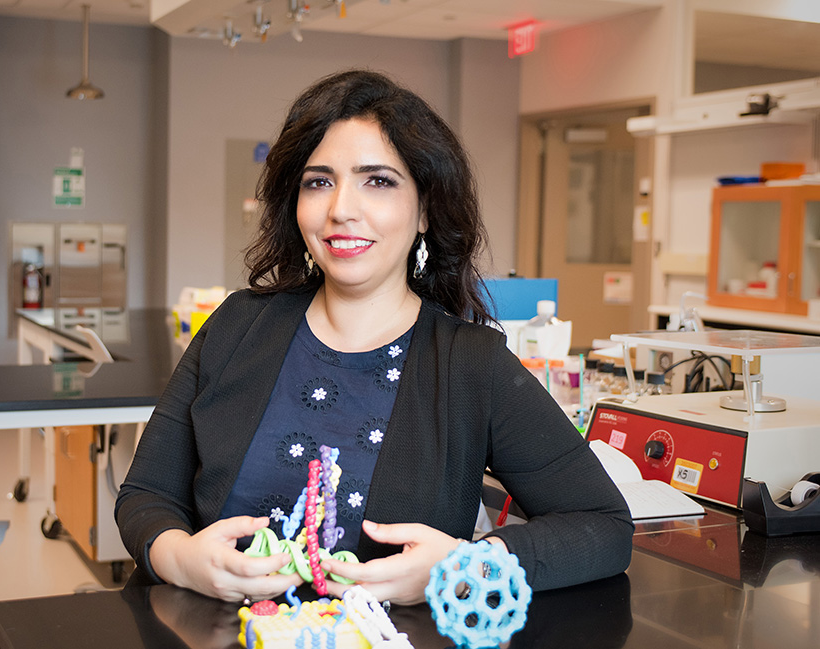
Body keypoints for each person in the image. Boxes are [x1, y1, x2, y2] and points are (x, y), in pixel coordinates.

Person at [116, 69, 633, 605]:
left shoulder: (470, 364)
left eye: (378, 181)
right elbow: (146, 495)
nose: (341, 208)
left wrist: (464, 565)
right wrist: (180, 558)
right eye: (319, 181)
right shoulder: (237, 326)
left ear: (425, 209)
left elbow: (603, 526)